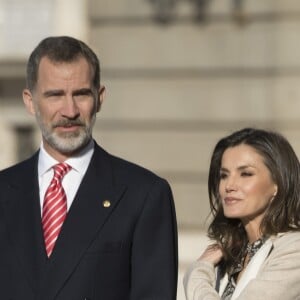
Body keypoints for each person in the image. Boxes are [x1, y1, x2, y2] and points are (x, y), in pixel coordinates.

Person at [0, 36, 178, 300]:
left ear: (100, 98)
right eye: (55, 95)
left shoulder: (144, 195)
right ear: (30, 101)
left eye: (81, 94)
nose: (69, 110)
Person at [183, 127, 300, 300]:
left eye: (245, 174)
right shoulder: (228, 254)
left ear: (278, 184)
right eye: (224, 175)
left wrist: (197, 273)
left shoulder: (293, 250)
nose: (229, 185)